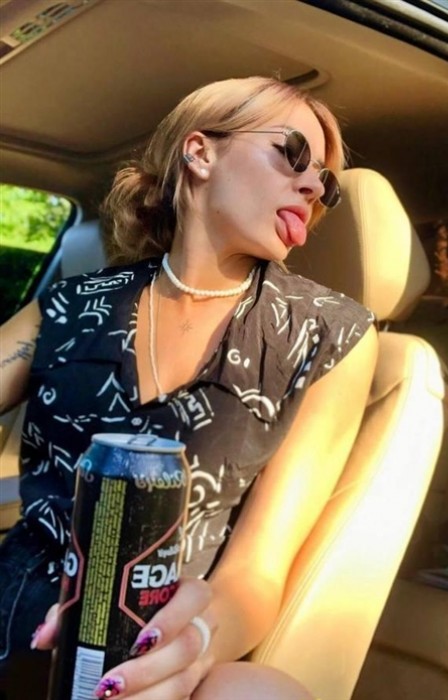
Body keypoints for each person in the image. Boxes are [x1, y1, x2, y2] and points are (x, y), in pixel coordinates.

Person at [0, 75, 377, 699]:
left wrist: (192, 642)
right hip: (14, 610)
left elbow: (258, 569)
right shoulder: (71, 305)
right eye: (293, 154)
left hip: (151, 647)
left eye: (326, 183)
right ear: (200, 152)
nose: (314, 187)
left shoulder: (325, 336)